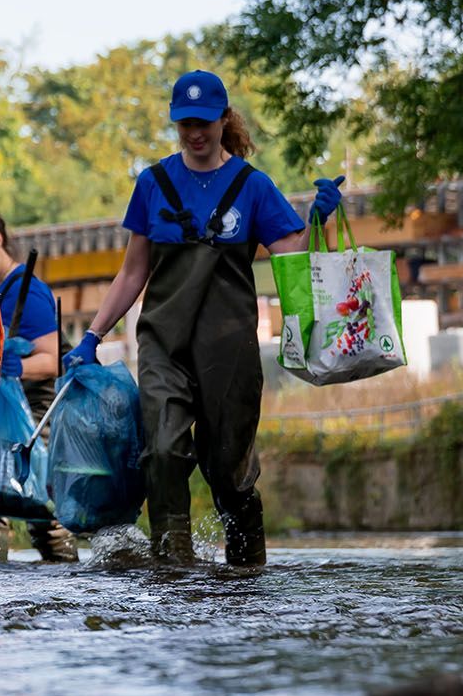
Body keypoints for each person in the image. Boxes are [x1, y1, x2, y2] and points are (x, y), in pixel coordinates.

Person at [65, 70, 344, 566]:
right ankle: (174, 568)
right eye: (185, 123)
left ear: (224, 119)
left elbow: (292, 258)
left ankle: (245, 573)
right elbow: (132, 273)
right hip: (163, 345)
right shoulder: (153, 184)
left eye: (205, 122)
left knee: (227, 468)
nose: (195, 133)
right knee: (163, 452)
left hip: (229, 348)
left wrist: (318, 217)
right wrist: (92, 335)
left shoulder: (253, 187)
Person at [0, 199, 80, 564]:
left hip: (35, 416)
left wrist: (13, 368)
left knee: (40, 506)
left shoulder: (30, 292)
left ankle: (64, 591)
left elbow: (51, 360)